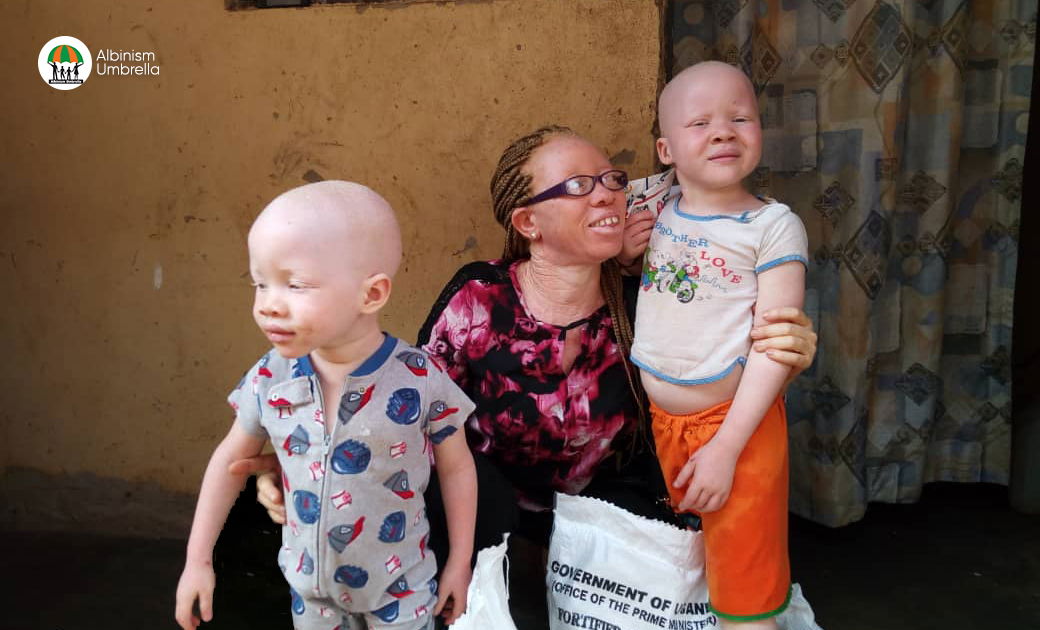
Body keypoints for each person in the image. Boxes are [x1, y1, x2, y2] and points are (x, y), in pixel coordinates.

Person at [240, 125, 817, 578]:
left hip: (592, 521)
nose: (609, 194)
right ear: (529, 222)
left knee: (664, 516)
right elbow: (403, 406)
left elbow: (711, 386)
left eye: (611, 179)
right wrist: (311, 471)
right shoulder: (479, 300)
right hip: (483, 518)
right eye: (577, 185)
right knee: (466, 486)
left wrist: (785, 354)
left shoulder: (648, 303)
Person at [174, 181, 477, 630]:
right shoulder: (270, 375)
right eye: (260, 284)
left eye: (294, 285)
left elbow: (456, 468)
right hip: (310, 591)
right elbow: (229, 460)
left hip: (401, 587)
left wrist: (459, 563)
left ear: (371, 295)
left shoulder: (418, 377)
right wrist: (197, 561)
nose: (268, 306)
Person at [619, 62, 807, 628]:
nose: (723, 131)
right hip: (663, 425)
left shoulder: (772, 226)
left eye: (740, 117)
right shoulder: (659, 208)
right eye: (700, 122)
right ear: (666, 149)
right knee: (697, 565)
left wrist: (726, 448)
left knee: (744, 594)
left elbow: (777, 343)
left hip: (738, 431)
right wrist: (631, 256)